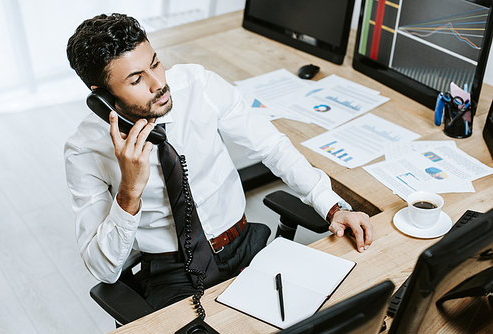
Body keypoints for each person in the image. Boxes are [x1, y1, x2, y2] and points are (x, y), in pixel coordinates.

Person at [65, 13, 373, 311]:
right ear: (102, 96)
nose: (158, 83)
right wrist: (129, 192)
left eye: (156, 63)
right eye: (136, 79)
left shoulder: (198, 85)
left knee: (334, 309)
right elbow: (103, 270)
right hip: (171, 271)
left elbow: (271, 146)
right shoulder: (85, 150)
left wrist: (331, 205)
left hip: (244, 244)